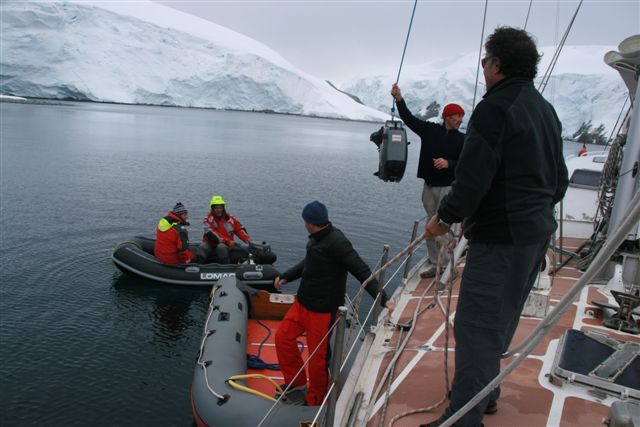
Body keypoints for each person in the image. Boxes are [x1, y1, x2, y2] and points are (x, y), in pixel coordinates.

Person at [421, 27, 569, 427]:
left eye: (485, 61)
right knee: (500, 320)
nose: (483, 68)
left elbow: (471, 180)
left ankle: (463, 420)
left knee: (476, 328)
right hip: (535, 235)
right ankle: (484, 394)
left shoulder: (495, 108)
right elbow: (560, 182)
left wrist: (444, 219)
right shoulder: (544, 109)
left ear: (497, 64)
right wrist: (532, 214)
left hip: (501, 239)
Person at [274, 201, 394, 406]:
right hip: (302, 304)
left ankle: (315, 398)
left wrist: (383, 299)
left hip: (322, 311)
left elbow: (361, 271)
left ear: (310, 223)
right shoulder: (315, 239)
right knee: (282, 338)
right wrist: (287, 276)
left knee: (317, 359)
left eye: (305, 222)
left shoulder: (338, 242)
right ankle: (297, 383)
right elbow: (308, 263)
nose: (304, 224)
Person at [390, 84, 465, 278]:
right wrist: (399, 99)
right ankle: (434, 263)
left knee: (444, 226)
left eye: (461, 117)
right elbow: (408, 118)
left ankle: (449, 267)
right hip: (429, 187)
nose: (461, 120)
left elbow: (467, 164)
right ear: (448, 117)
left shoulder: (463, 140)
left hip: (448, 188)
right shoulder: (429, 130)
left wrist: (449, 163)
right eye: (458, 116)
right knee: (431, 226)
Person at [200, 195, 251, 264]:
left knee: (221, 247)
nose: (219, 210)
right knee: (203, 246)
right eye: (216, 208)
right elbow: (212, 234)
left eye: (220, 208)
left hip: (228, 245)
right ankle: (199, 267)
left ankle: (226, 267)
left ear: (223, 208)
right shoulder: (207, 219)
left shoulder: (229, 218)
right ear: (212, 209)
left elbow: (239, 228)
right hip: (213, 244)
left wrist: (246, 238)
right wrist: (227, 241)